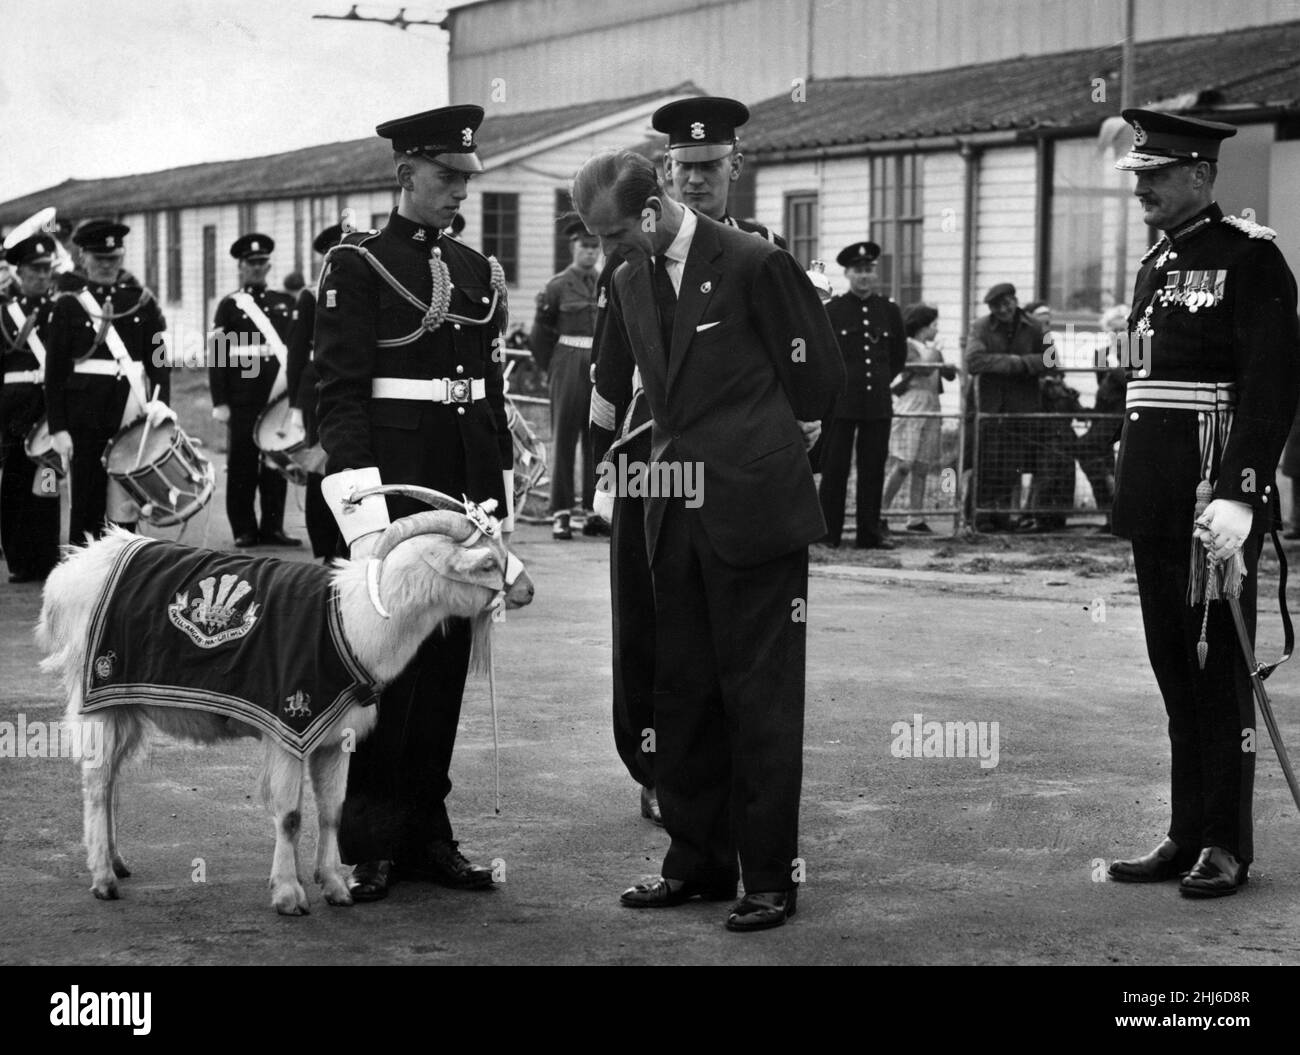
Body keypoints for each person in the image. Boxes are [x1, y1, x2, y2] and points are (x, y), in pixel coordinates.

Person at [574, 148, 843, 931]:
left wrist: (767, 463)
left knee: (759, 701)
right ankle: (694, 860)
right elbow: (645, 399)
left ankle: (767, 877)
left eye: (617, 235)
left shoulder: (756, 262)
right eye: (597, 240)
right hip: (671, 508)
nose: (607, 253)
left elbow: (818, 377)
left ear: (653, 211)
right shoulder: (627, 279)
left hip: (755, 512)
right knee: (682, 691)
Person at [315, 103, 513, 901]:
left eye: (466, 178)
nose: (458, 192)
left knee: (446, 667)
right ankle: (369, 839)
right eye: (445, 177)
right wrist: (367, 521)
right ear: (406, 175)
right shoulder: (359, 266)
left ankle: (429, 831)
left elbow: (488, 394)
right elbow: (339, 393)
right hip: (397, 488)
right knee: (384, 672)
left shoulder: (475, 271)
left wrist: (495, 505)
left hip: (463, 486)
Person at [1105, 109, 1299, 898]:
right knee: (1174, 673)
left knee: (1219, 674)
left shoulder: (1251, 259)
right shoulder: (1157, 262)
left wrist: (1244, 493)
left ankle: (1226, 841)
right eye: (1140, 175)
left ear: (1201, 175)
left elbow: (1272, 382)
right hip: (1157, 497)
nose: (1143, 187)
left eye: (1157, 174)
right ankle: (1187, 829)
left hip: (1213, 501)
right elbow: (1144, 389)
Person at [590, 96, 787, 828]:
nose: (697, 181)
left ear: (736, 165)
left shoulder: (757, 254)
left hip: (732, 469)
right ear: (665, 173)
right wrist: (608, 478)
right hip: (649, 461)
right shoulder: (633, 254)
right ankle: (654, 763)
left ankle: (727, 767)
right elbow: (610, 387)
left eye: (710, 166)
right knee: (648, 619)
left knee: (728, 628)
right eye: (683, 168)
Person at [45, 220, 173, 543]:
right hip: (83, 418)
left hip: (129, 415)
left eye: (113, 258)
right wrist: (58, 428)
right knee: (85, 505)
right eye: (99, 258)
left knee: (125, 505)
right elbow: (55, 373)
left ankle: (122, 575)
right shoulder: (69, 305)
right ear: (83, 257)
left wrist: (160, 404)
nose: (106, 265)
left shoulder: (141, 302)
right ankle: (81, 582)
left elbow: (158, 360)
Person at [209, 234, 300, 549]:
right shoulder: (230, 305)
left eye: (262, 262)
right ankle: (244, 529)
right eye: (252, 263)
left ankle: (273, 526)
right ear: (241, 266)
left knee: (276, 461)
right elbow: (218, 356)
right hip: (242, 396)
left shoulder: (284, 302)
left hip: (277, 396)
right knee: (243, 463)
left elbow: (295, 350)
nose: (258, 268)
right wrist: (220, 401)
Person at [818, 241, 906, 548]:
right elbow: (824, 357)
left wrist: (882, 382)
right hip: (842, 405)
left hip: (877, 405)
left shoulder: (890, 311)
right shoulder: (833, 311)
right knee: (835, 470)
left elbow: (898, 358)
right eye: (859, 271)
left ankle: (869, 534)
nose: (864, 276)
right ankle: (829, 534)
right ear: (847, 273)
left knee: (873, 471)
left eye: (869, 270)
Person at [531, 223, 602, 540]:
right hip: (568, 358)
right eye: (583, 246)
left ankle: (594, 511)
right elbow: (539, 335)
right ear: (572, 247)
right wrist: (555, 367)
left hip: (600, 363)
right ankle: (560, 512)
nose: (589, 252)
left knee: (598, 437)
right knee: (564, 436)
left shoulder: (607, 282)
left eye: (594, 246)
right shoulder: (558, 286)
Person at [964, 282, 1051, 531]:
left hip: (1021, 406)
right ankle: (977, 517)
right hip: (987, 406)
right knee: (983, 461)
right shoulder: (980, 327)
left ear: (1015, 300)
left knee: (1011, 463)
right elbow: (973, 360)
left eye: (1006, 304)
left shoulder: (1035, 326)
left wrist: (1019, 364)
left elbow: (1051, 361)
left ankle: (1002, 517)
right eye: (996, 306)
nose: (1002, 310)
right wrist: (1015, 363)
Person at [0, 233, 61, 581]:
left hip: (46, 410)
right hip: (14, 412)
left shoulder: (60, 312)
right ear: (20, 272)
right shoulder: (5, 314)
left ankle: (46, 556)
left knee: (47, 484)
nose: (42, 276)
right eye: (34, 270)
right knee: (14, 485)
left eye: (46, 269)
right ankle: (20, 560)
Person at [284, 224, 344, 561]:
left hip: (353, 387)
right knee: (319, 466)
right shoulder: (311, 294)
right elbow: (296, 350)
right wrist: (294, 403)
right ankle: (324, 548)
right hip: (317, 389)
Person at [881, 303, 954, 533]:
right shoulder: (908, 346)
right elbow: (923, 368)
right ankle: (881, 511)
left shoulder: (933, 349)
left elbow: (947, 374)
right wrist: (937, 353)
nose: (937, 330)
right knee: (905, 463)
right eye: (934, 325)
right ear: (923, 327)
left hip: (932, 405)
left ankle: (915, 517)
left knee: (922, 465)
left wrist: (945, 362)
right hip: (912, 404)